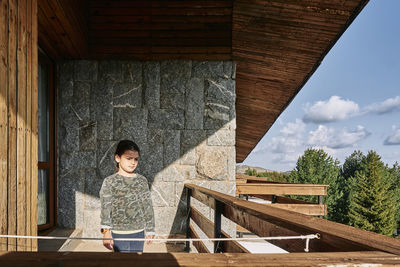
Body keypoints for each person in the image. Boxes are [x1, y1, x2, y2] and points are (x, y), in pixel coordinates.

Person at [100, 140, 155, 252]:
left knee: (137, 262)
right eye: (128, 158)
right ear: (117, 158)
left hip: (138, 232)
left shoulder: (141, 180)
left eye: (136, 159)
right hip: (118, 233)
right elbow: (105, 207)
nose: (133, 162)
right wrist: (106, 232)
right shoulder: (110, 181)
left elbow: (147, 205)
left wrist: (150, 229)